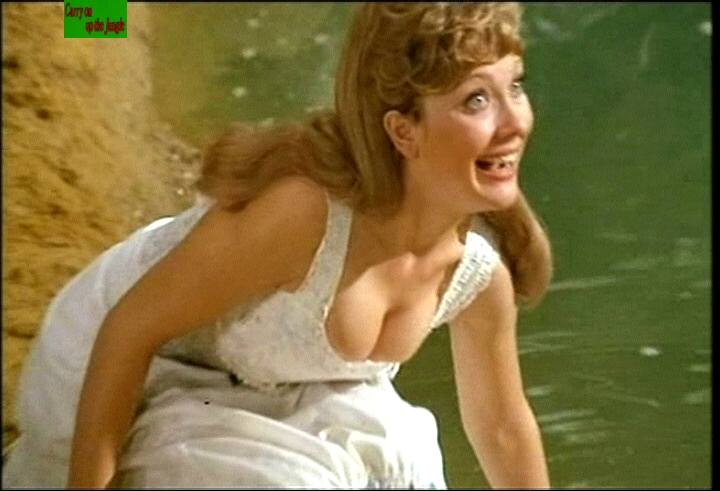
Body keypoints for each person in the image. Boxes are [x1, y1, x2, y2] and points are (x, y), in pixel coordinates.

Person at [3, 2, 553, 488]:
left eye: (517, 86)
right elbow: (128, 330)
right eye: (476, 99)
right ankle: (66, 12)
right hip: (134, 355)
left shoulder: (478, 274)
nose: (517, 122)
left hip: (276, 381)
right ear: (402, 131)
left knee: (400, 463)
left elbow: (503, 429)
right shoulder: (300, 216)